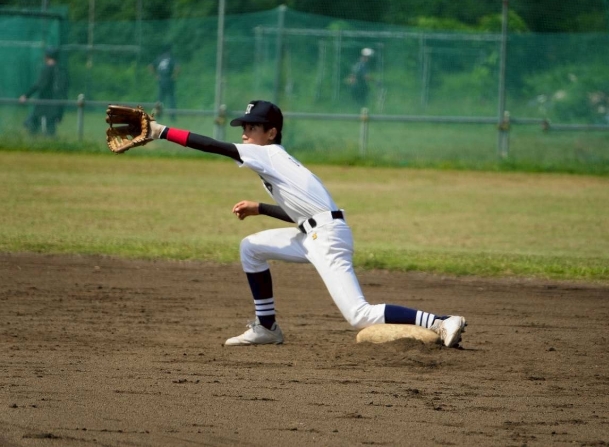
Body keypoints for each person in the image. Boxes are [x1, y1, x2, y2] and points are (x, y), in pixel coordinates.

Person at [146, 100, 467, 347]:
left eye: (253, 127)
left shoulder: (267, 154)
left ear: (271, 133)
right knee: (251, 247)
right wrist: (261, 208)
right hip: (313, 233)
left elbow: (213, 146)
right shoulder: (276, 161)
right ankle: (267, 328)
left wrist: (161, 132)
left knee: (359, 315)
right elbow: (303, 215)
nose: (245, 132)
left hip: (326, 238)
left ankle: (441, 321)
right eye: (244, 126)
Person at [19, 47, 67, 136]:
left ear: (46, 57)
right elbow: (64, 88)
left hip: (45, 103)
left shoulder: (47, 69)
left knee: (33, 124)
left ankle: (37, 141)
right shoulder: (61, 70)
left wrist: (26, 95)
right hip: (57, 102)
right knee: (49, 126)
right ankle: (47, 140)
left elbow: (39, 84)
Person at [148, 44, 179, 120]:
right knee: (171, 98)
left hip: (161, 80)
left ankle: (158, 115)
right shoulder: (171, 58)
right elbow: (177, 67)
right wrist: (174, 75)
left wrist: (156, 75)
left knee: (160, 98)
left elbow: (150, 66)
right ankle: (172, 116)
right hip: (169, 79)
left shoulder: (159, 58)